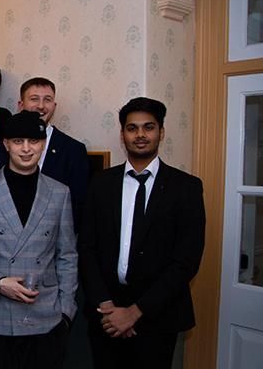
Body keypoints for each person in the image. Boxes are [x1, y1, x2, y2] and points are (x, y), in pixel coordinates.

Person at [78, 98, 205, 369]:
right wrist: (109, 307)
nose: (140, 135)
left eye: (148, 127)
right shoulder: (100, 183)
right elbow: (86, 248)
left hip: (158, 315)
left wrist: (135, 313)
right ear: (122, 134)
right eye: (132, 128)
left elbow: (186, 261)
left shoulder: (186, 188)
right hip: (106, 315)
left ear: (161, 132)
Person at [0, 110, 78, 369]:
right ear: (5, 144)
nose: (26, 149)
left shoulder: (60, 193)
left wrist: (66, 312)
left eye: (34, 141)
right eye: (18, 141)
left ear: (43, 144)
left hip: (45, 318)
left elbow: (67, 256)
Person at [17, 77, 89, 233]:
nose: (41, 106)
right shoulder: (0, 148)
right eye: (34, 99)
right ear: (21, 105)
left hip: (54, 241)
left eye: (47, 100)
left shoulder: (74, 150)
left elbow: (78, 205)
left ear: (54, 106)